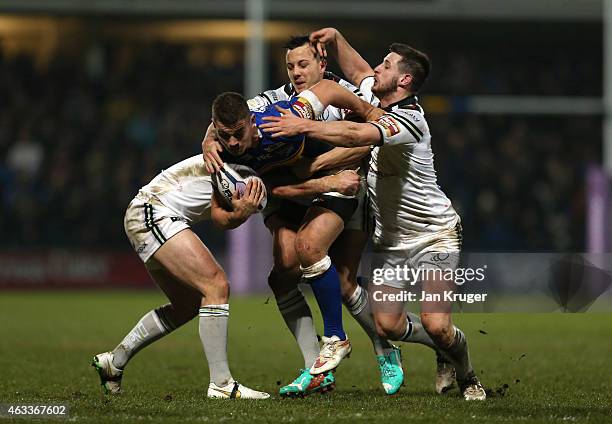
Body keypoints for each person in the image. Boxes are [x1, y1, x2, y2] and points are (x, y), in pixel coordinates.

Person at [260, 27, 486, 401]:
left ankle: (466, 374)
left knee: (436, 323)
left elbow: (355, 135)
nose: (375, 69)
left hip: (434, 234)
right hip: (391, 242)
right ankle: (436, 347)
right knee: (389, 325)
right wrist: (334, 38)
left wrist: (304, 125)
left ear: (405, 79)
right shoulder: (374, 94)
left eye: (386, 65)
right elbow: (357, 68)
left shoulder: (410, 120)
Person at [91, 152, 356, 399]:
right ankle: (221, 384)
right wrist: (329, 183)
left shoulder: (242, 162)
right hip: (154, 212)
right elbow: (228, 217)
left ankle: (114, 363)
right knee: (216, 285)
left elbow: (224, 216)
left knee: (187, 306)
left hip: (149, 213)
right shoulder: (240, 162)